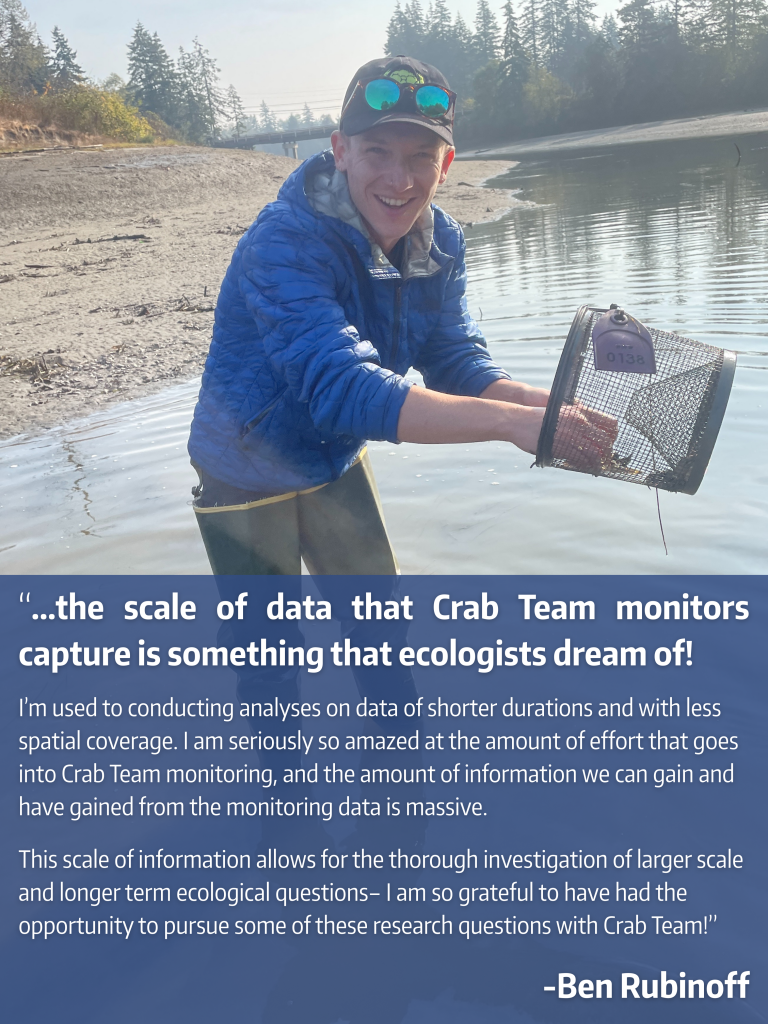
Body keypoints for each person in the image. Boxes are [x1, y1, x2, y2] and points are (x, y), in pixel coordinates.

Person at [188, 55, 607, 576]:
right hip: (242, 463)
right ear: (341, 151)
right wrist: (510, 424)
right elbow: (341, 388)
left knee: (380, 623)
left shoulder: (442, 242)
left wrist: (546, 410)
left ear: (446, 164)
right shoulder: (283, 241)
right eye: (377, 151)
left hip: (333, 453)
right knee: (272, 654)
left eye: (421, 156)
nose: (399, 179)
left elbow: (455, 360)